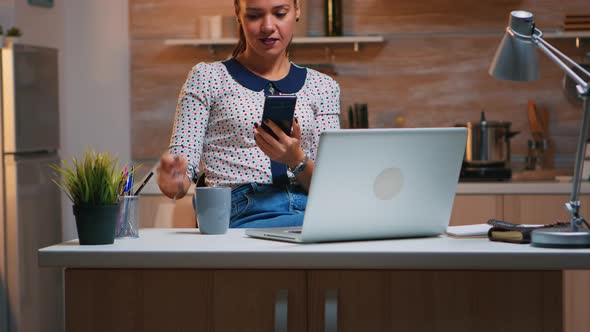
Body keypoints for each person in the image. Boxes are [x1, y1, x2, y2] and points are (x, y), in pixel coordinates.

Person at [157, 0, 341, 228]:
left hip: (311, 210)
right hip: (243, 210)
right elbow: (182, 169)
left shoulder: (323, 87)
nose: (268, 26)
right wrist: (173, 182)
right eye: (255, 15)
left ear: (297, 10)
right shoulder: (207, 78)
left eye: (280, 13)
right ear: (238, 13)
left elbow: (334, 186)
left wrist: (296, 159)